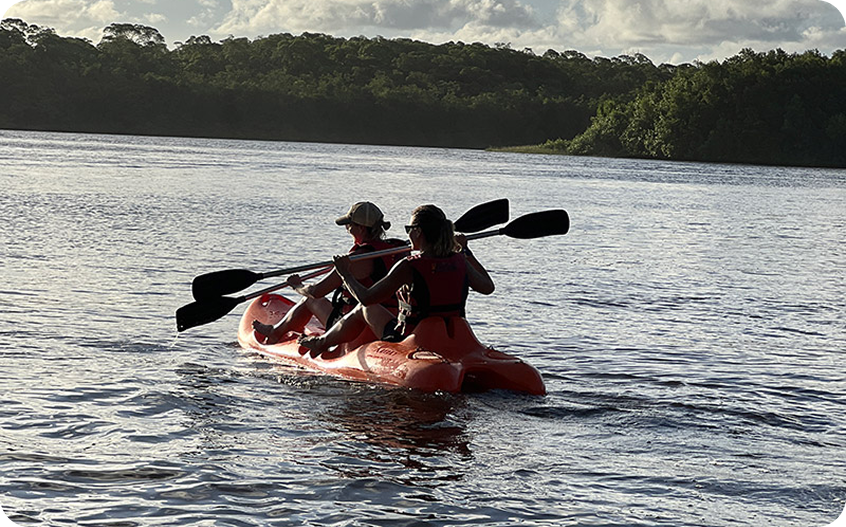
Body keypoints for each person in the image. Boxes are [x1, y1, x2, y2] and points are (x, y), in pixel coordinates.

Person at [298, 204, 495, 357]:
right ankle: (323, 341)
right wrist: (466, 251)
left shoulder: (409, 265)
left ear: (418, 232)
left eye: (409, 228)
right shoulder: (460, 260)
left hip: (411, 336)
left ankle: (322, 343)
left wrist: (345, 274)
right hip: (452, 333)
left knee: (364, 308)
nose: (408, 233)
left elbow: (367, 298)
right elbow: (488, 287)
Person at [252, 202, 405, 345]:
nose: (347, 229)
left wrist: (297, 286)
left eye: (350, 225)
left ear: (361, 229)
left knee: (310, 300)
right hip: (388, 320)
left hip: (355, 324)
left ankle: (275, 332)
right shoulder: (395, 250)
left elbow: (317, 291)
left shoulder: (356, 260)